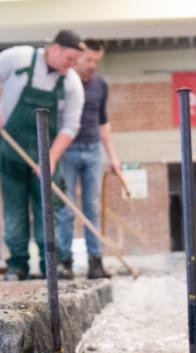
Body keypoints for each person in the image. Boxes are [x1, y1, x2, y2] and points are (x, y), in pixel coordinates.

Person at [0, 29, 85, 281]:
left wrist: (50, 158)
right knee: (14, 208)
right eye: (69, 58)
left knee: (48, 207)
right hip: (11, 148)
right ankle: (17, 265)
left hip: (47, 153)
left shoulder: (71, 83)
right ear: (55, 49)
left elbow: (70, 125)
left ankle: (50, 265)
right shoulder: (19, 57)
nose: (72, 65)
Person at [56, 39, 121, 280]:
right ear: (78, 57)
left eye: (97, 61)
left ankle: (96, 262)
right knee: (66, 209)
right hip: (67, 151)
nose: (93, 65)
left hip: (93, 150)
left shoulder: (100, 85)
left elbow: (103, 122)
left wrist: (112, 156)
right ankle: (65, 262)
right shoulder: (63, 82)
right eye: (89, 59)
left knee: (92, 207)